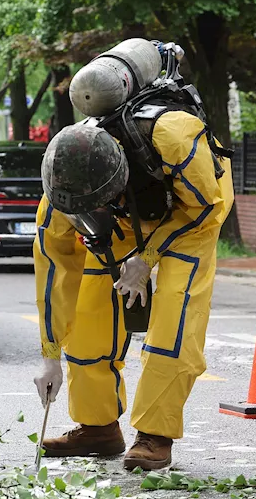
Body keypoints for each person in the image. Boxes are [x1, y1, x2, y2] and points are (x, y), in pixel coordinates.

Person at [33, 39, 233, 470]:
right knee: (88, 321)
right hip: (123, 221)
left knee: (173, 325)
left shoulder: (173, 135)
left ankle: (155, 434)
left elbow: (206, 206)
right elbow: (54, 273)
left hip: (189, 213)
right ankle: (98, 428)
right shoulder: (62, 192)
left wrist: (147, 258)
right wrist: (49, 354)